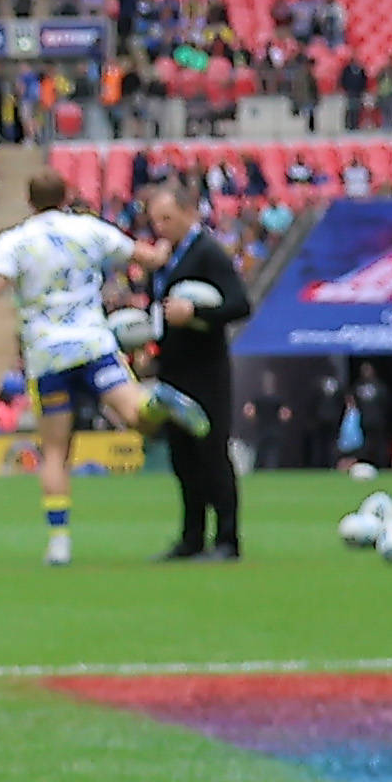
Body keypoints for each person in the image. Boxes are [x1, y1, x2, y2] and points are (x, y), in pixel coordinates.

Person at [0, 168, 169, 567]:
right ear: (66, 195)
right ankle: (156, 400)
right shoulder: (90, 229)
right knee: (134, 412)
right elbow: (149, 257)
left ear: (29, 200)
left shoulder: (17, 241)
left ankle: (59, 541)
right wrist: (166, 237)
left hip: (47, 356)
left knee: (56, 452)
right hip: (93, 343)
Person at [140, 180, 249, 560]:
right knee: (182, 456)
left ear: (189, 213)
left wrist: (197, 313)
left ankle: (227, 539)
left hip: (206, 371)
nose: (160, 227)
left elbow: (239, 304)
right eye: (156, 220)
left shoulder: (208, 254)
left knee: (211, 452)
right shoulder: (163, 258)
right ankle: (191, 537)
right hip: (174, 369)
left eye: (167, 218)